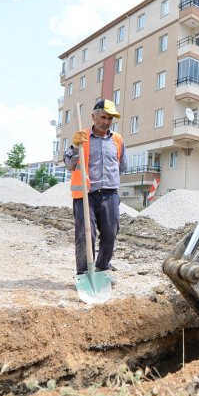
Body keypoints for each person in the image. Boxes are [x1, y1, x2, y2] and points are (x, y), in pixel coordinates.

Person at [64, 98, 126, 284]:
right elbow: (69, 165)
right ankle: (83, 275)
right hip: (86, 195)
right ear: (93, 116)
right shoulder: (81, 138)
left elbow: (121, 165)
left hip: (109, 194)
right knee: (85, 235)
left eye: (110, 119)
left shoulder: (117, 139)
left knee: (110, 233)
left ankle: (101, 270)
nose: (106, 122)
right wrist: (75, 147)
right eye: (103, 117)